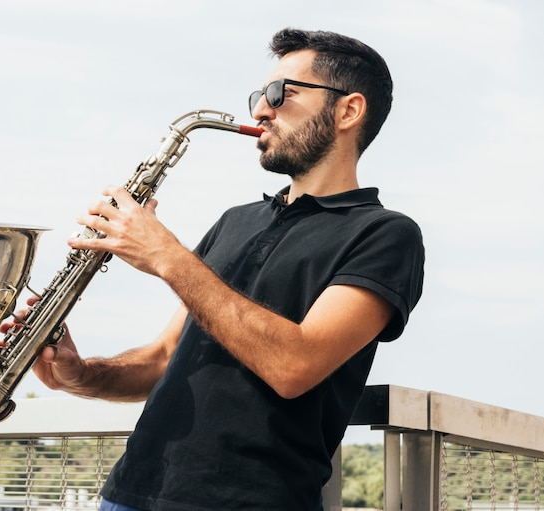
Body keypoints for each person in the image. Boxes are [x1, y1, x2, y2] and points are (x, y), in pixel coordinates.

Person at [25, 28, 424, 511]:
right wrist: (80, 374)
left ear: (348, 110)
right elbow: (163, 359)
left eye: (281, 93)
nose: (260, 109)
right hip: (128, 494)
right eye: (259, 95)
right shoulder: (236, 222)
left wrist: (167, 256)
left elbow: (294, 366)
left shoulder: (386, 235)